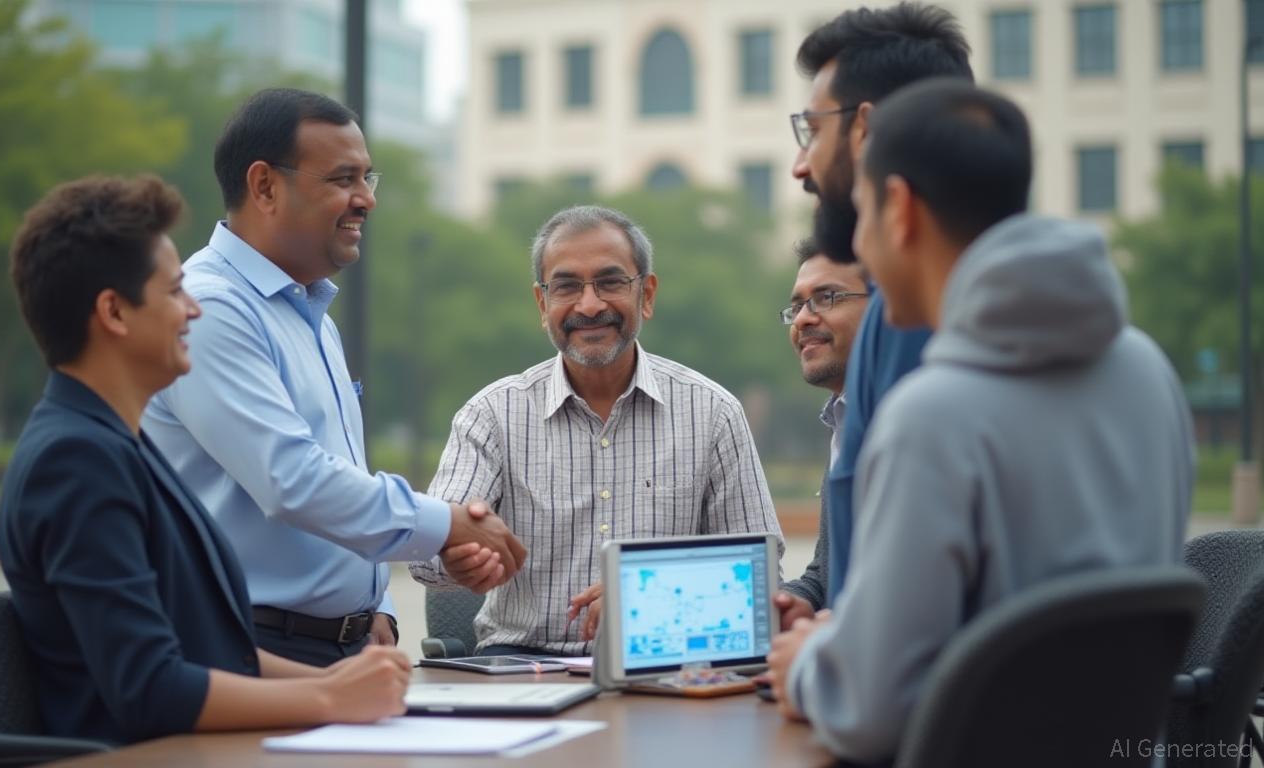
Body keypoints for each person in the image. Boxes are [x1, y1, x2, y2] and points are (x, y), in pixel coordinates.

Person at [767, 80, 1194, 764]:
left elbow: (868, 713)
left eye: (863, 218)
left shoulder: (931, 417)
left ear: (900, 209)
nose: (862, 250)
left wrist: (808, 664)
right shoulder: (1148, 370)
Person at [0, 175, 411, 745]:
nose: (193, 309)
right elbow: (148, 687)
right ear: (114, 312)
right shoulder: (75, 461)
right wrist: (329, 698)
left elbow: (209, 654)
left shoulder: (114, 443)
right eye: (174, 292)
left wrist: (343, 683)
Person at [142, 88, 525, 667]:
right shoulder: (212, 308)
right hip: (249, 650)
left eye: (368, 178)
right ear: (265, 186)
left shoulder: (311, 316)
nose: (366, 199)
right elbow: (292, 479)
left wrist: (375, 608)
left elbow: (338, 477)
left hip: (335, 650)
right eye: (344, 179)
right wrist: (446, 524)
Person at [409, 205, 784, 656]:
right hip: (522, 663)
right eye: (567, 286)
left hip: (667, 661)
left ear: (646, 294)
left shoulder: (713, 413)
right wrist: (454, 555)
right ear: (542, 304)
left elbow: (760, 575)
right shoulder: (492, 414)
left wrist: (647, 594)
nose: (589, 306)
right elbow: (425, 554)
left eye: (610, 282)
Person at [790, 2, 973, 606]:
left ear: (865, 132)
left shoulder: (908, 339)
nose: (800, 166)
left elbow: (892, 632)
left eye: (813, 132)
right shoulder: (1139, 366)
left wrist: (818, 650)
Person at [772, 240, 868, 624]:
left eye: (826, 298)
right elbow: (826, 575)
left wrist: (830, 635)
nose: (802, 320)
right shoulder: (842, 418)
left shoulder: (912, 420)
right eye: (797, 306)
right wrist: (791, 603)